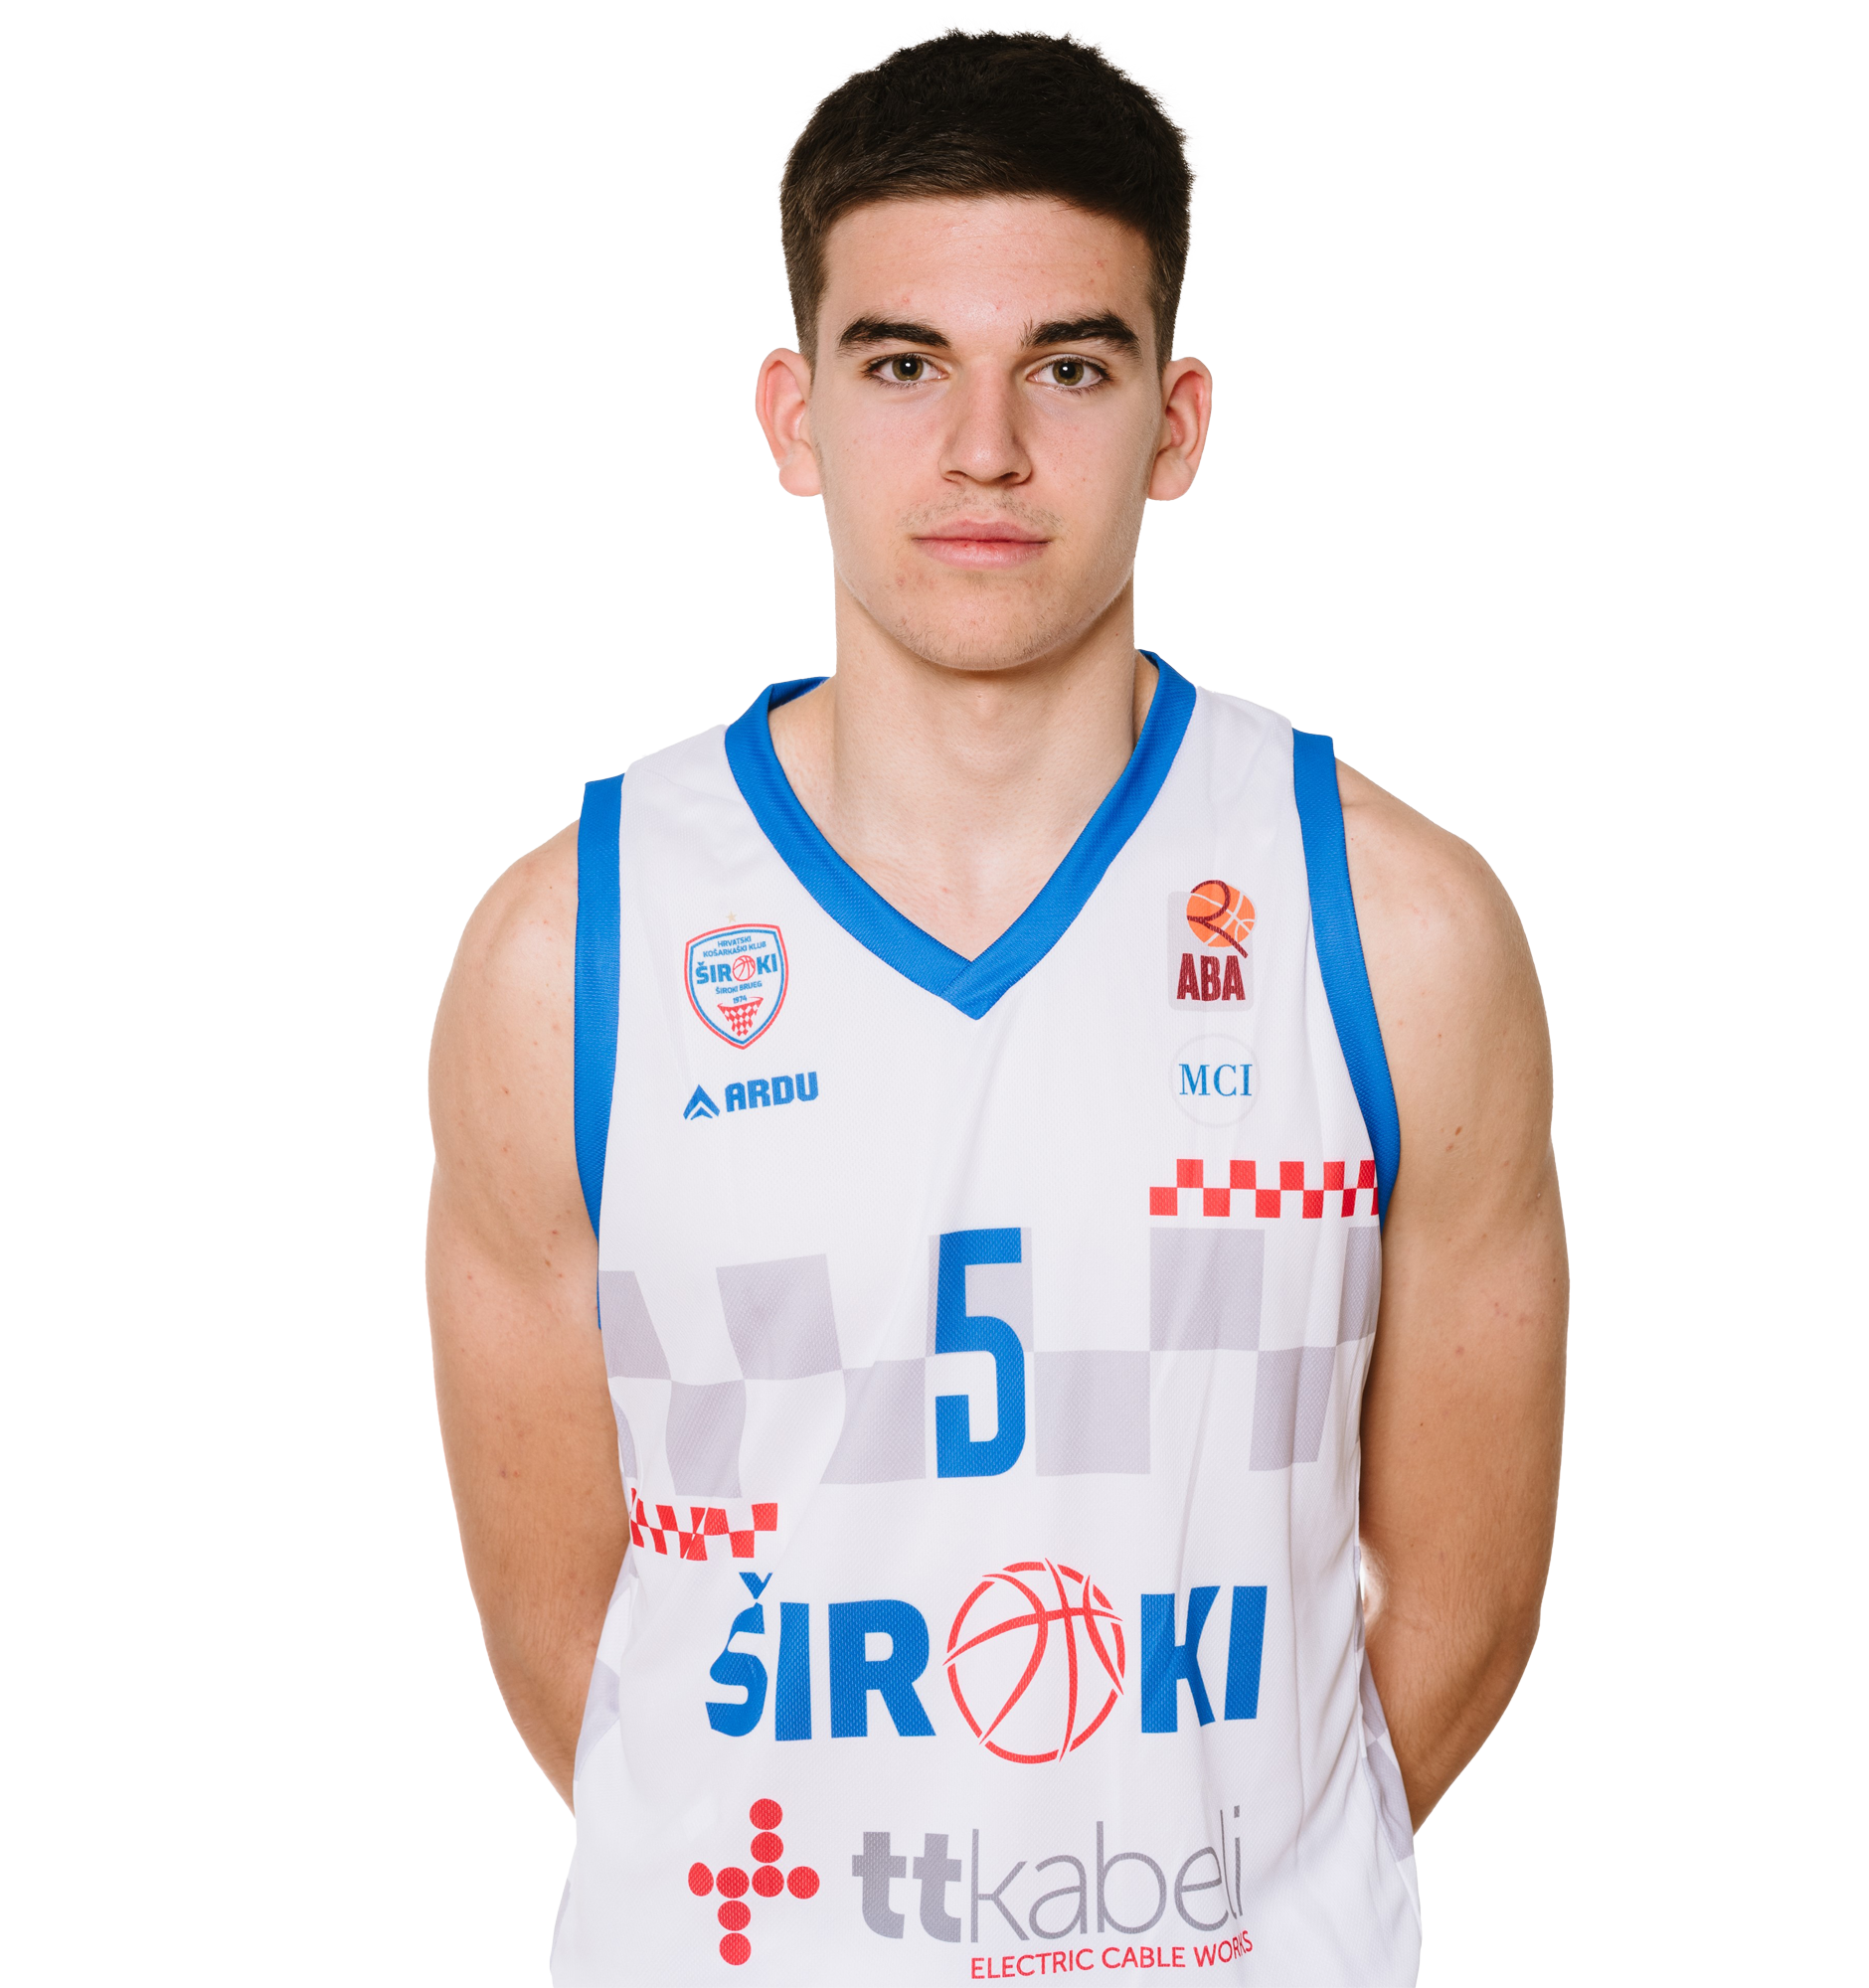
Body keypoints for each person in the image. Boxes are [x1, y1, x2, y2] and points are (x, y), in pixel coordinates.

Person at [428, 26, 1566, 1985]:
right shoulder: (570, 954)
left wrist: (1192, 1903)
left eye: (1068, 365)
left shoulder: (1394, 930)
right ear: (793, 414)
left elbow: (1460, 1612)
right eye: (902, 365)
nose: (984, 449)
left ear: (1175, 421)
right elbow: (571, 1647)